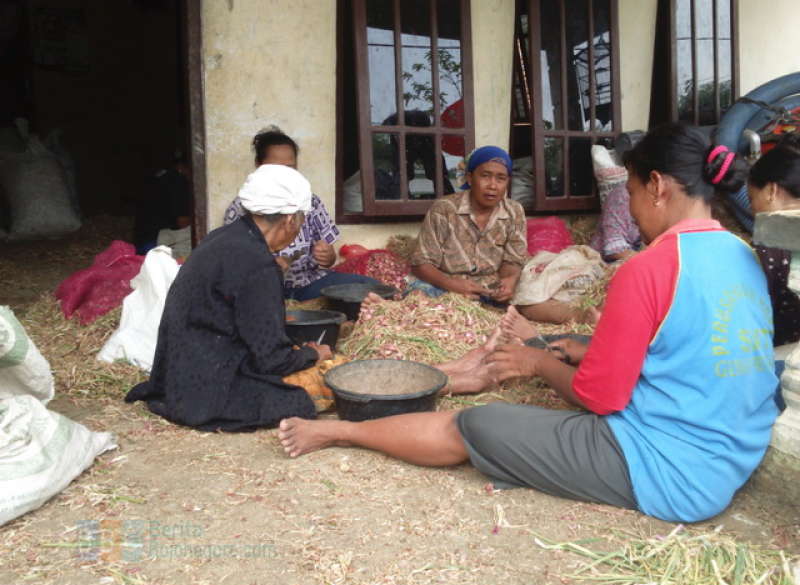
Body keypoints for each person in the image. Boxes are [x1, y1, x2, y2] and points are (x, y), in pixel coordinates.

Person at [276, 123, 780, 524]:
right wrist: (575, 344)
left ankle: (341, 433)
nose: (628, 206)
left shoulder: (648, 267)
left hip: (670, 472)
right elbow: (691, 344)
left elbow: (601, 398)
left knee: (477, 423)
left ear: (656, 185)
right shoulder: (742, 254)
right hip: (734, 454)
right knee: (565, 346)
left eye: (628, 191)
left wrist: (535, 361)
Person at [126, 165, 333, 431]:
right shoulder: (258, 265)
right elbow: (272, 360)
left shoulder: (221, 238)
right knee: (298, 402)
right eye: (301, 221)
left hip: (177, 372)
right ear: (290, 220)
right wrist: (312, 354)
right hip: (207, 384)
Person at [224, 127, 377, 301]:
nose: (284, 175)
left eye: (290, 168)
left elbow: (330, 258)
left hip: (309, 284)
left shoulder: (308, 201)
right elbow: (233, 269)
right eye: (276, 168)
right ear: (259, 167)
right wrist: (266, 270)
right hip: (262, 292)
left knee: (371, 289)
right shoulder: (242, 208)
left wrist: (327, 256)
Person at [409, 145, 527, 303]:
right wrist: (452, 285)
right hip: (446, 287)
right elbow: (420, 264)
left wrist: (509, 281)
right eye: (485, 176)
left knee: (533, 297)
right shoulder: (445, 209)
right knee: (418, 296)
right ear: (470, 178)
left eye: (501, 178)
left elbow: (513, 261)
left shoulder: (514, 211)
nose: (492, 185)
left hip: (490, 289)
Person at [748, 133, 800, 347]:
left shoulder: (773, 237)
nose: (752, 210)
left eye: (752, 198)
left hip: (785, 354)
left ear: (772, 190)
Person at [133, 154, 192, 255]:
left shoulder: (156, 177)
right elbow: (182, 222)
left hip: (140, 240)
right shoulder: (179, 182)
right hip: (155, 244)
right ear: (181, 168)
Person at [590, 183, 642, 262]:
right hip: (605, 263)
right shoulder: (622, 195)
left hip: (637, 257)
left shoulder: (661, 201)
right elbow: (614, 249)